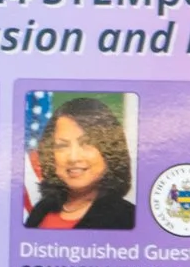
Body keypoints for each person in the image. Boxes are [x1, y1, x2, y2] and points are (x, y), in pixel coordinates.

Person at [25, 96, 138, 229]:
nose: (73, 157)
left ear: (110, 151)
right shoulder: (41, 209)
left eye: (87, 143)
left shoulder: (127, 218)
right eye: (62, 146)